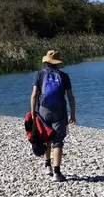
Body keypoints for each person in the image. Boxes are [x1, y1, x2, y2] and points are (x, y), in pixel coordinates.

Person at [29, 50, 76, 181]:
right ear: (57, 63)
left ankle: (47, 166)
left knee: (45, 137)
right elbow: (71, 97)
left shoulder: (39, 74)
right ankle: (57, 173)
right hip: (59, 111)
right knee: (58, 141)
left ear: (46, 62)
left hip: (43, 110)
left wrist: (32, 113)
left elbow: (34, 95)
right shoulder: (64, 76)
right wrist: (72, 114)